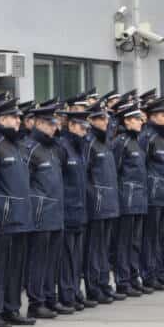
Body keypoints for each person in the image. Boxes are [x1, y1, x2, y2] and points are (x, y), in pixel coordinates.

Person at [0, 99, 34, 327]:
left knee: (16, 266)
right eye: (14, 117)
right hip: (3, 215)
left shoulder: (17, 144)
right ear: (2, 119)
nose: (18, 120)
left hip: (21, 214)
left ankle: (11, 307)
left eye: (18, 117)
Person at [24, 104, 66, 318]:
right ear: (39, 123)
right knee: (38, 260)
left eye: (55, 123)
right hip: (40, 213)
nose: (54, 128)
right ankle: (36, 301)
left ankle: (50, 297)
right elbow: (26, 183)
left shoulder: (52, 148)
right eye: (50, 124)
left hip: (55, 211)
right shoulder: (30, 148)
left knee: (52, 259)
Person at [84, 103, 120, 303]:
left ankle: (104, 283)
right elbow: (86, 176)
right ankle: (94, 286)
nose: (106, 122)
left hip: (109, 202)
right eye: (101, 118)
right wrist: (94, 198)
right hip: (97, 204)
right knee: (94, 248)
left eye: (106, 118)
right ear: (91, 120)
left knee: (104, 248)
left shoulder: (104, 142)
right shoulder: (89, 143)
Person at [111, 101, 147, 297]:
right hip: (127, 199)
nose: (140, 121)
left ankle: (134, 276)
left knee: (135, 242)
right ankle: (123, 280)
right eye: (136, 119)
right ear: (126, 121)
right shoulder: (121, 142)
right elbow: (115, 172)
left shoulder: (136, 142)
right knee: (123, 242)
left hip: (139, 199)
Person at [56, 110, 91, 310]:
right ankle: (66, 293)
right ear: (71, 126)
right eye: (81, 126)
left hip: (80, 210)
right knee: (67, 257)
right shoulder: (63, 147)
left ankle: (75, 291)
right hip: (68, 210)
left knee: (76, 256)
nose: (84, 131)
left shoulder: (79, 148)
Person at [140, 97, 164, 290]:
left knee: (162, 237)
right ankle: (149, 274)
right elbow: (143, 168)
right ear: (152, 117)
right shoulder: (148, 137)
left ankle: (159, 271)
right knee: (151, 237)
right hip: (154, 196)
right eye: (163, 115)